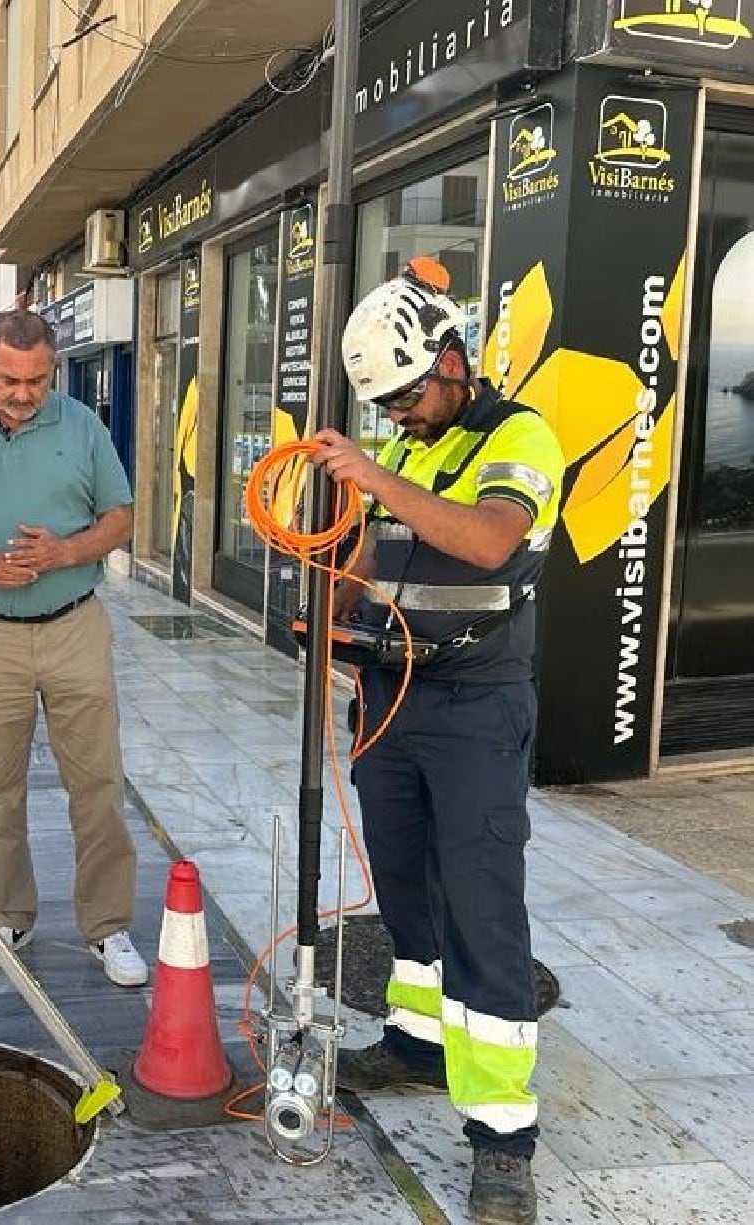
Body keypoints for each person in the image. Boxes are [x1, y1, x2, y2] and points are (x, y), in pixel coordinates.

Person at [308, 259, 564, 1225]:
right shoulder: (408, 449)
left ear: (453, 359)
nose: (401, 413)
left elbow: (491, 539)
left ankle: (501, 1137)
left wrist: (370, 472)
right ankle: (416, 1041)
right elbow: (376, 551)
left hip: (472, 707)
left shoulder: (518, 434)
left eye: (410, 393)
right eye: (386, 403)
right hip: (390, 694)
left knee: (480, 902)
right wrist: (327, 605)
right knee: (405, 882)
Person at [0, 308, 147, 988]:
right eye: (9, 378)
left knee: (96, 781)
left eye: (36, 379)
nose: (22, 392)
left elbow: (121, 516)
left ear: (51, 368)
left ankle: (107, 924)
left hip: (74, 625)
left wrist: (66, 551)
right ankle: (8, 912)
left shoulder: (82, 425)